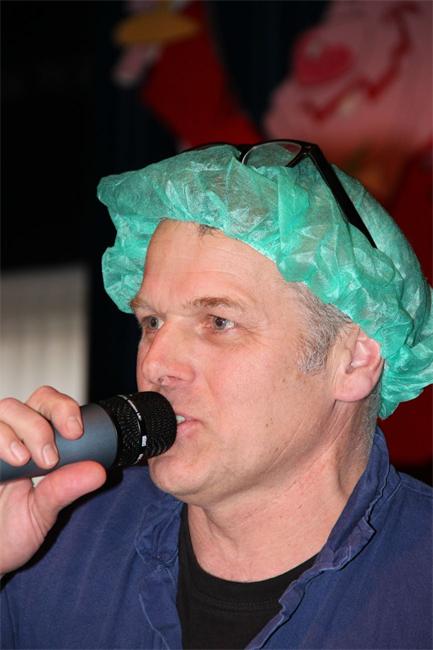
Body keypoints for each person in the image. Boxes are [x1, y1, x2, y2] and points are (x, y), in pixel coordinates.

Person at [0, 141, 432, 650]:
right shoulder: (51, 545)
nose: (155, 363)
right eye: (152, 321)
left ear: (355, 360)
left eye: (219, 321)